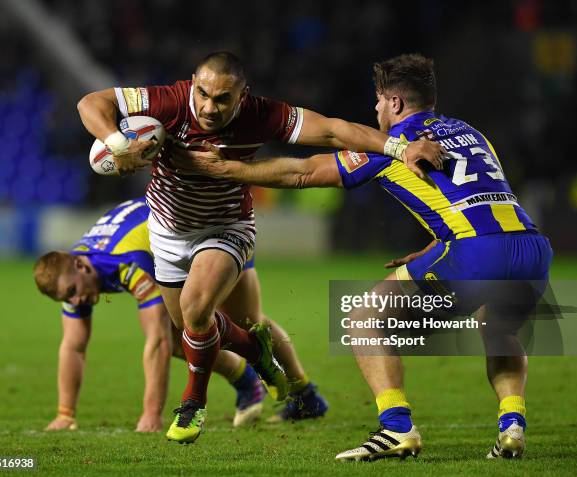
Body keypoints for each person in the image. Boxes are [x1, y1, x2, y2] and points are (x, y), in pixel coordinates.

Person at [174, 54, 552, 460]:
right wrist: (437, 244)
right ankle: (512, 425)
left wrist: (226, 170)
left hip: (477, 252)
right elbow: (481, 202)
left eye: (378, 102)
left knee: (363, 319)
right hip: (531, 250)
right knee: (498, 330)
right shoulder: (471, 133)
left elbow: (302, 174)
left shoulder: (397, 146)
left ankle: (396, 429)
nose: (374, 111)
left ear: (394, 103)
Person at [76, 51, 445, 444]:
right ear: (193, 84)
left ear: (242, 96)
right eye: (203, 94)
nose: (209, 107)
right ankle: (262, 356)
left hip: (226, 227)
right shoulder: (168, 101)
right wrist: (118, 144)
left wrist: (398, 148)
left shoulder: (262, 114)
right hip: (167, 233)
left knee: (197, 311)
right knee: (190, 329)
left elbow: (334, 131)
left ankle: (192, 405)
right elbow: (90, 103)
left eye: (222, 99)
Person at [34, 197, 269, 431]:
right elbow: (73, 346)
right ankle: (255, 383)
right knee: (185, 336)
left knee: (242, 321)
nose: (74, 301)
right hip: (176, 243)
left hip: (213, 230)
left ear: (81, 267)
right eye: (66, 298)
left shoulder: (125, 262)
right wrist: (65, 414)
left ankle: (295, 390)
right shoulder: (77, 272)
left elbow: (157, 340)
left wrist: (151, 413)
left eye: (73, 292)